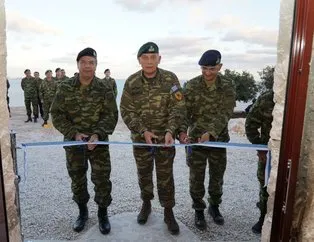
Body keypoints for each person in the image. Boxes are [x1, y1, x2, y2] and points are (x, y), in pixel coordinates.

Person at [51, 47, 118, 235]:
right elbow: (56, 114)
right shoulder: (65, 87)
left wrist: (97, 134)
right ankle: (82, 212)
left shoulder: (105, 88)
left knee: (102, 179)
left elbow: (111, 115)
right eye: (84, 62)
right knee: (77, 179)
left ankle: (103, 215)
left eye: (91, 62)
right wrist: (74, 133)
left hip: (99, 144)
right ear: (78, 64)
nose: (87, 66)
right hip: (75, 145)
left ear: (96, 65)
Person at [120, 42, 185, 235]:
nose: (149, 61)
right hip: (142, 139)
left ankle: (168, 211)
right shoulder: (131, 82)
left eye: (153, 57)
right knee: (144, 173)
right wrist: (142, 131)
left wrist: (171, 131)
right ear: (139, 60)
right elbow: (126, 110)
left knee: (166, 176)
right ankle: (146, 204)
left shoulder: (170, 78)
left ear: (159, 58)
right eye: (145, 58)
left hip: (165, 139)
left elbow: (178, 106)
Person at [179, 50, 236, 230]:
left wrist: (211, 132)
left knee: (217, 176)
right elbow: (183, 111)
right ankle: (198, 210)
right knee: (196, 177)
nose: (208, 72)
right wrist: (181, 132)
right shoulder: (192, 85)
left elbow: (226, 111)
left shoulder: (227, 85)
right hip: (195, 140)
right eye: (204, 68)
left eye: (212, 68)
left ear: (219, 67)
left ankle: (214, 206)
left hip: (218, 140)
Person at [245, 87, 274, 234]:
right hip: (268, 152)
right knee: (265, 184)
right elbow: (250, 124)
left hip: (293, 150)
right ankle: (263, 216)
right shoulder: (267, 99)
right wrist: (259, 146)